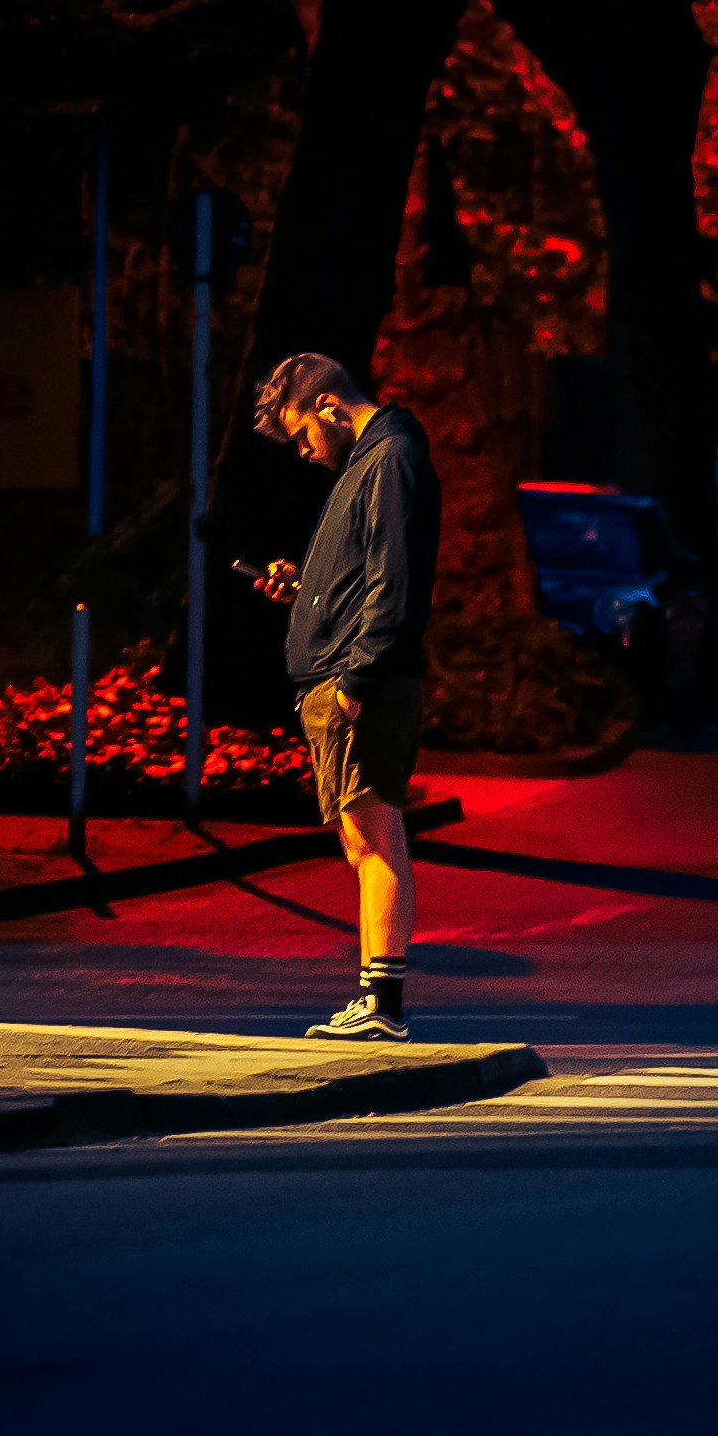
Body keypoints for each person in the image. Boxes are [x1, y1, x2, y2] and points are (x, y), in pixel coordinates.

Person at [247, 352, 439, 1040]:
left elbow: (396, 580)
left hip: (358, 681)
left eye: (303, 435)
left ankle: (381, 1002)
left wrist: (358, 678)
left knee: (374, 837)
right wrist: (307, 591)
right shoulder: (376, 461)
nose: (304, 452)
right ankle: (376, 998)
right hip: (347, 672)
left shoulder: (386, 459)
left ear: (328, 404)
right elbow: (371, 575)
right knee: (365, 838)